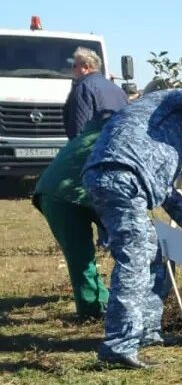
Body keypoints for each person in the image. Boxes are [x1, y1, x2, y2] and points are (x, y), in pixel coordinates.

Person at [81, 86, 182, 369]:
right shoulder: (168, 101)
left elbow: (167, 194)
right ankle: (118, 346)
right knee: (135, 258)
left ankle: (147, 331)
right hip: (120, 176)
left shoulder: (159, 132)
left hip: (113, 178)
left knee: (157, 251)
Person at [32, 116, 112, 319]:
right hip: (60, 195)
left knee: (86, 253)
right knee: (80, 254)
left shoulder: (101, 132)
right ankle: (92, 310)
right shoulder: (115, 136)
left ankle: (102, 300)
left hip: (73, 191)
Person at [63, 47, 127, 139]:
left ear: (85, 67)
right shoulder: (119, 91)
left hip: (95, 148)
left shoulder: (83, 88)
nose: (72, 70)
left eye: (74, 66)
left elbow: (79, 130)